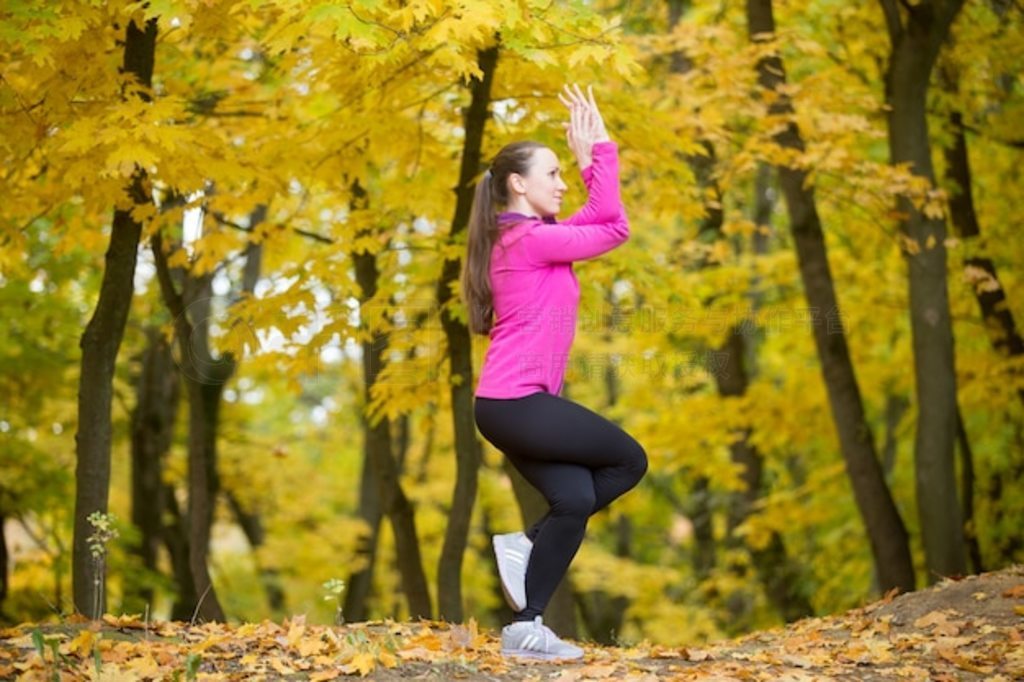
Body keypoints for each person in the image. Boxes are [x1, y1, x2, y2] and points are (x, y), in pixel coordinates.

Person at [461, 84, 648, 661]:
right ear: (518, 183)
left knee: (574, 498)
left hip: (514, 406)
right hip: (517, 404)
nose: (562, 182)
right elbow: (614, 228)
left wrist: (595, 160)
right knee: (628, 460)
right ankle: (526, 542)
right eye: (552, 173)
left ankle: (526, 628)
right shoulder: (528, 240)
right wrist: (600, 156)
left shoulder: (527, 239)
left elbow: (596, 218)